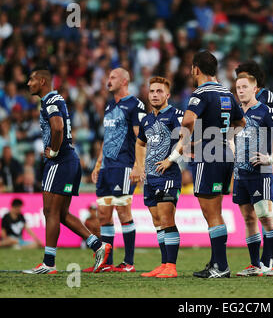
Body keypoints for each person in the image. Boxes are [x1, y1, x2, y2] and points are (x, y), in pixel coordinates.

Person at [24, 66, 110, 274]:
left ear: (42, 82)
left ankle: (48, 263)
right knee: (61, 213)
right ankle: (98, 246)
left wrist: (53, 152)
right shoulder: (56, 100)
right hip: (69, 161)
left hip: (60, 161)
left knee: (50, 211)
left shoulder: (51, 101)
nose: (28, 83)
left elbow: (58, 126)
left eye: (32, 79)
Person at [182, 50, 245, 278]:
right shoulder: (227, 93)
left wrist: (188, 143)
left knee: (212, 214)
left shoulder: (202, 93)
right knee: (215, 211)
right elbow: (241, 122)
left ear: (196, 69)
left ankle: (221, 266)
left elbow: (188, 119)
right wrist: (226, 137)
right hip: (225, 154)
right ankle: (216, 262)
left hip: (207, 156)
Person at [86, 67, 146, 273]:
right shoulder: (110, 105)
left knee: (122, 210)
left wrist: (139, 165)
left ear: (124, 81)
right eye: (108, 76)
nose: (108, 80)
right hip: (107, 167)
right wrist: (98, 163)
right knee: (103, 214)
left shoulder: (135, 104)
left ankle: (128, 262)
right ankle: (107, 262)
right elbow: (108, 136)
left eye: (112, 77)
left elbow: (141, 137)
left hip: (124, 165)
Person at [234, 60, 273, 272]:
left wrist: (272, 159)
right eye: (238, 87)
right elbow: (232, 136)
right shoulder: (236, 112)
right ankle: (255, 265)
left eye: (244, 86)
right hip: (241, 173)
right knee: (248, 218)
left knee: (266, 215)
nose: (240, 90)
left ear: (255, 87)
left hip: (262, 171)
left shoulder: (265, 108)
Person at [131, 76, 184, 278]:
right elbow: (140, 143)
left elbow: (186, 138)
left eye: (159, 91)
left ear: (167, 95)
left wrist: (171, 159)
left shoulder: (175, 115)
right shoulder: (146, 119)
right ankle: (163, 264)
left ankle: (171, 265)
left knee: (166, 218)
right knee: (157, 221)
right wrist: (138, 165)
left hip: (168, 175)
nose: (155, 95)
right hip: (151, 177)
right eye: (152, 91)